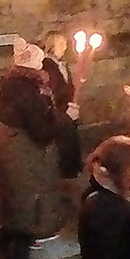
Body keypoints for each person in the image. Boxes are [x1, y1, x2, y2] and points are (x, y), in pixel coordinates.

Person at [0, 40, 75, 259]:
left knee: (16, 195)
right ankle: (30, 247)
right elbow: (42, 131)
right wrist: (66, 117)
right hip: (25, 152)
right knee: (33, 195)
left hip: (12, 148)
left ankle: (6, 241)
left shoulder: (12, 83)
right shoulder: (28, 91)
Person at [41, 30, 84, 180]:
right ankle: (68, 170)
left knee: (71, 136)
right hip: (59, 109)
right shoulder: (47, 65)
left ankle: (73, 166)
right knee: (64, 138)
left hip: (67, 106)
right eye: (61, 43)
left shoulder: (59, 64)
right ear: (51, 46)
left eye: (65, 43)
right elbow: (54, 89)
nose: (65, 46)